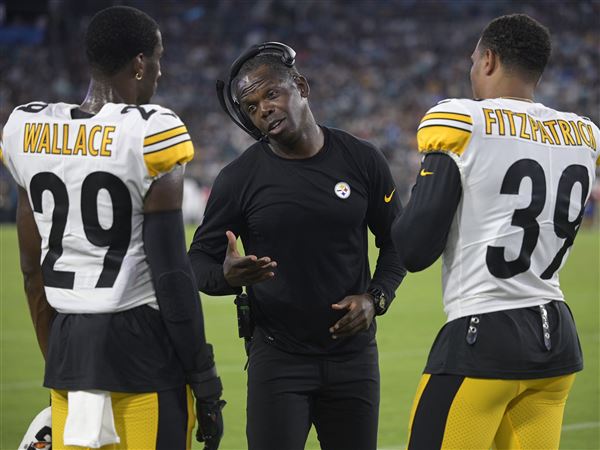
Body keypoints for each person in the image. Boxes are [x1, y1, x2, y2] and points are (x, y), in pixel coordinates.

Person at [0, 6, 225, 449]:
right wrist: (204, 376)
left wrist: (63, 360)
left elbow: (32, 272)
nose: (159, 72)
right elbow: (171, 273)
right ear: (140, 63)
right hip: (141, 348)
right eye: (158, 58)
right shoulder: (151, 133)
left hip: (67, 347)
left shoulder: (27, 128)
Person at [392, 14, 599, 450]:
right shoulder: (584, 134)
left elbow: (413, 249)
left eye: (473, 60)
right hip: (557, 343)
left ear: (487, 60)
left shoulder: (461, 121)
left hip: (483, 338)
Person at [189, 43, 406, 450]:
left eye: (271, 93)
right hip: (278, 359)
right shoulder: (238, 179)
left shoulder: (362, 160)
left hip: (353, 358)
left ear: (301, 86)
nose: (264, 109)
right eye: (251, 106)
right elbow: (197, 261)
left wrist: (376, 297)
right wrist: (225, 275)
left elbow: (397, 242)